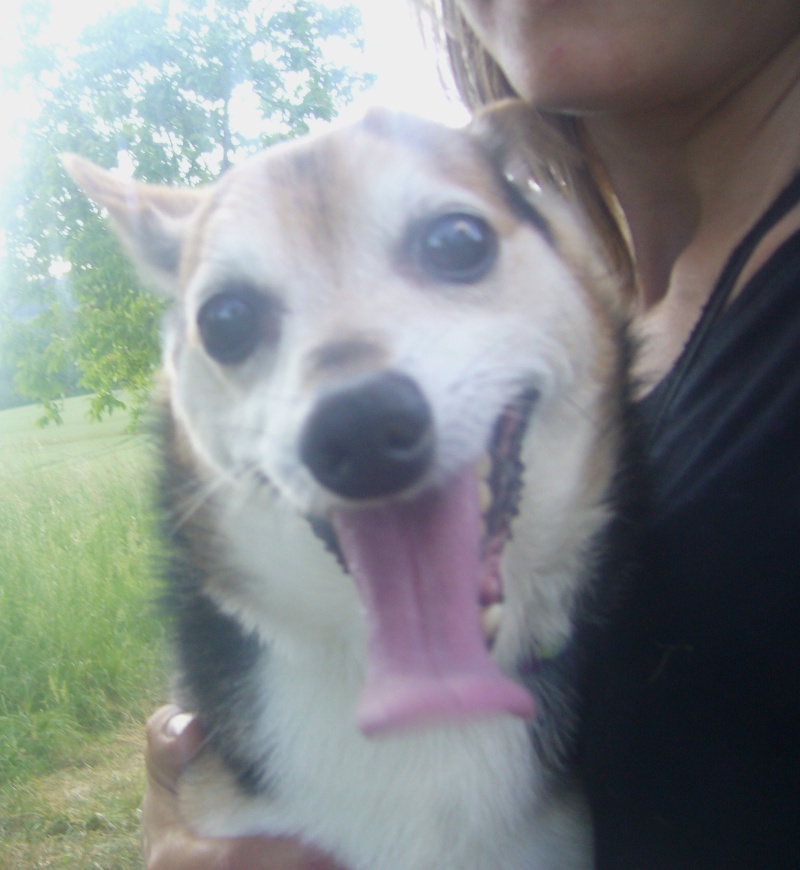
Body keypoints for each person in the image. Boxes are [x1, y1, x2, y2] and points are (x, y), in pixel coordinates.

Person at [142, 1, 800, 867]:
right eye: (230, 321)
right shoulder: (625, 334)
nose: (355, 399)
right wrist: (194, 806)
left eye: (453, 246)